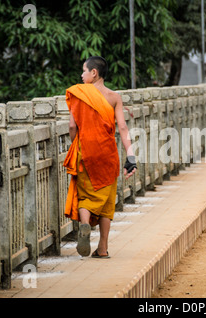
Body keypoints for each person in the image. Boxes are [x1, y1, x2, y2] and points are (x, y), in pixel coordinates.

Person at [64, 56, 137, 258]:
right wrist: (130, 156)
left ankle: (85, 225)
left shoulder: (79, 94)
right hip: (108, 154)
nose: (81, 75)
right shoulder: (114, 97)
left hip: (85, 153)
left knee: (86, 196)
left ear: (93, 73)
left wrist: (76, 144)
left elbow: (72, 126)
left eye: (84, 71)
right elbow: (122, 127)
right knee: (107, 202)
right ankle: (103, 249)